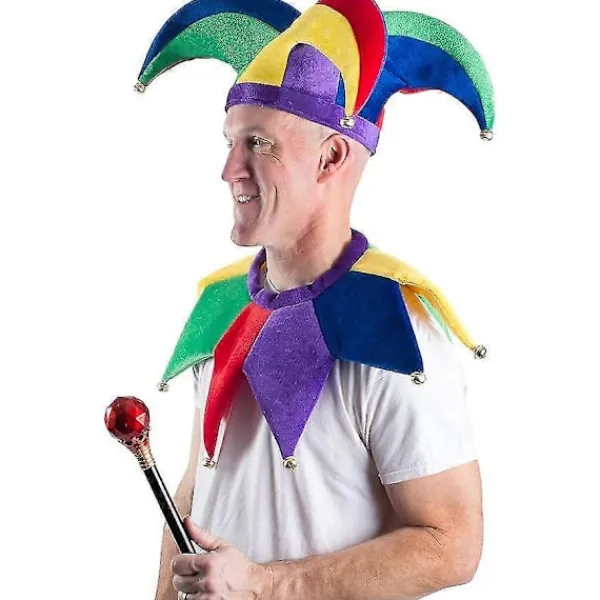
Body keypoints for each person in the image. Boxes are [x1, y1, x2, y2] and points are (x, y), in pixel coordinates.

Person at [135, 1, 494, 598]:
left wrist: (265, 585)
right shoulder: (221, 307)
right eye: (230, 142)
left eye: (258, 143)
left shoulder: (397, 331)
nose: (229, 169)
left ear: (331, 157)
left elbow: (451, 543)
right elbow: (196, 495)